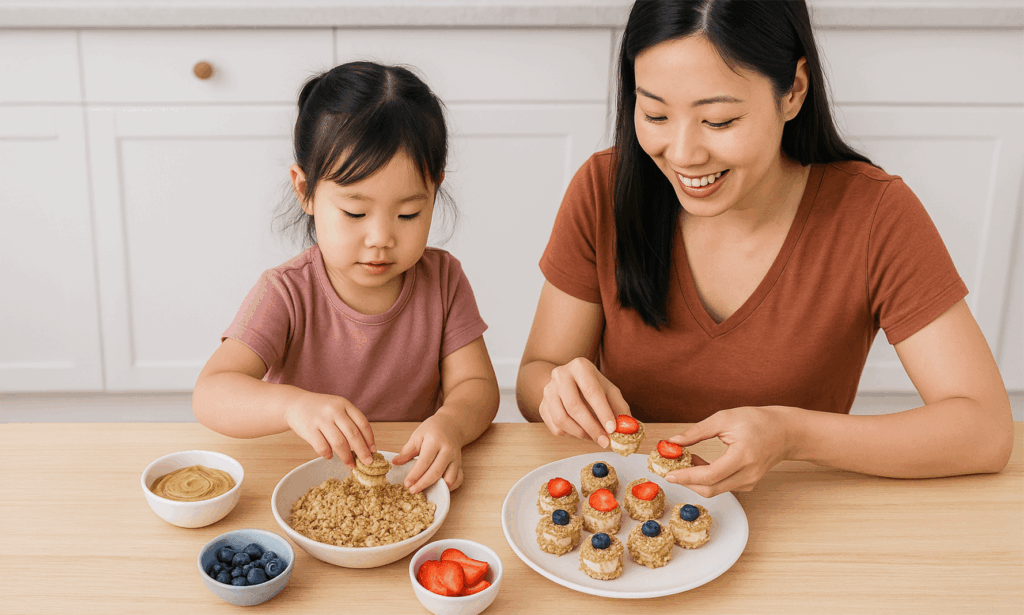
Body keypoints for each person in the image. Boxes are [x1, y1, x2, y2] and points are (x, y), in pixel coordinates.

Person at [517, 0, 1013, 497]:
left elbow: (985, 431)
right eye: (655, 114)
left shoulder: (874, 214)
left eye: (719, 121)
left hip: (794, 510)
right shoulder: (604, 189)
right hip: (629, 509)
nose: (683, 154)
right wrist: (559, 391)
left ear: (793, 90)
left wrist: (792, 435)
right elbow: (536, 376)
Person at [194, 61, 499, 494]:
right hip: (305, 481)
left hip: (407, 481)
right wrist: (294, 407)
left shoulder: (443, 280)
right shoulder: (286, 291)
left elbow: (477, 386)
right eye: (355, 213)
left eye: (409, 213)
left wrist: (451, 423)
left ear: (435, 190)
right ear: (305, 191)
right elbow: (211, 393)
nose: (381, 238)